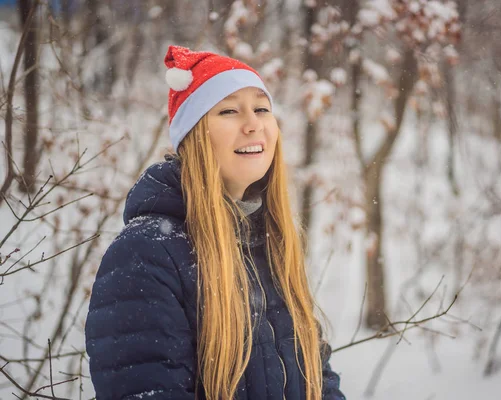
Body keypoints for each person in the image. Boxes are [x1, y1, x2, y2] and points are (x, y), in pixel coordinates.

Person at [84, 45, 346, 400]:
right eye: (229, 111)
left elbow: (318, 378)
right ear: (193, 136)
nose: (253, 124)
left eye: (261, 109)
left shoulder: (267, 242)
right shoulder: (146, 253)